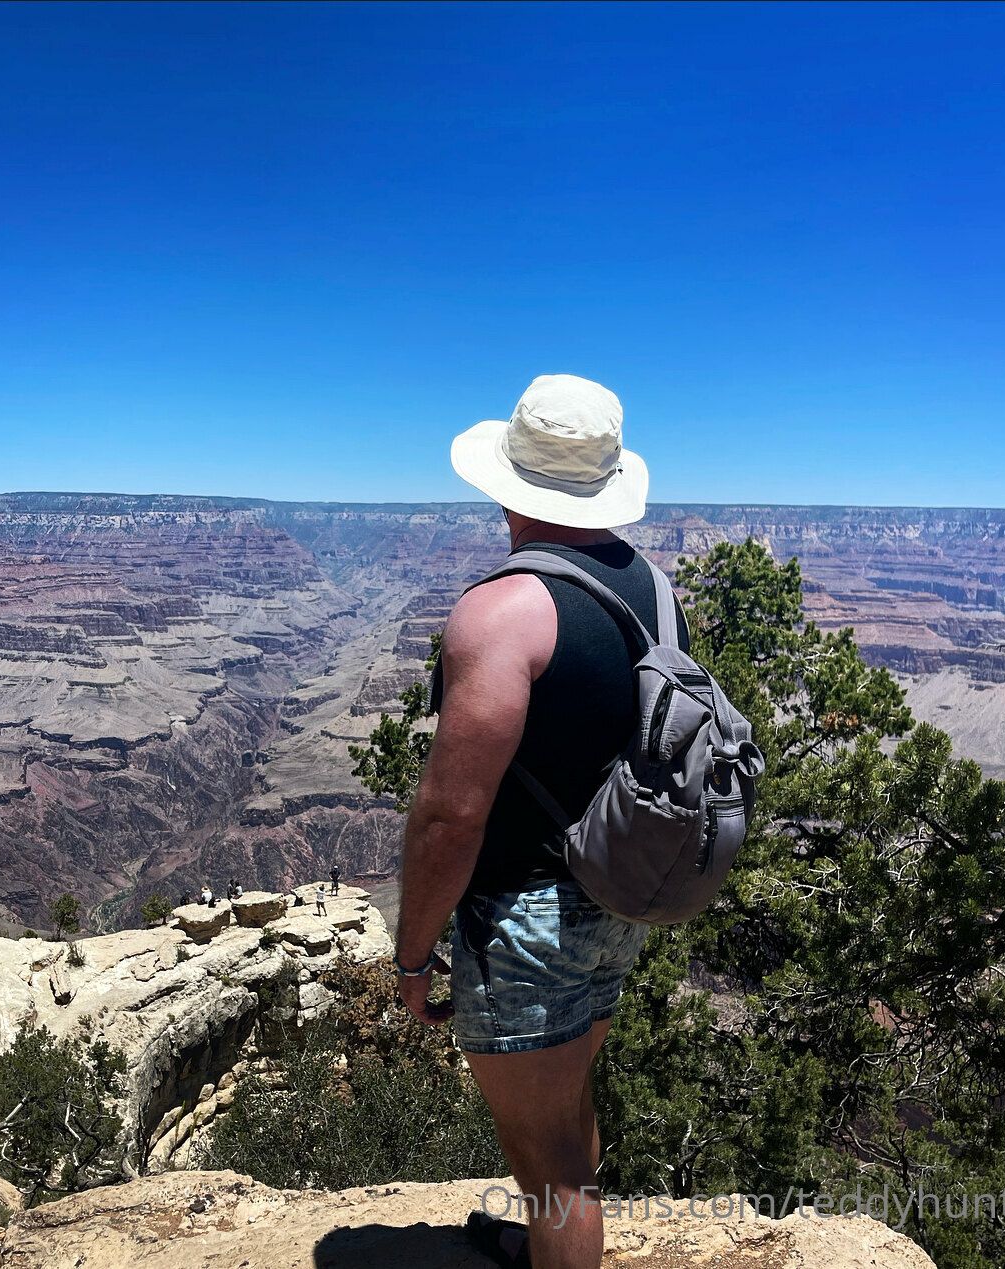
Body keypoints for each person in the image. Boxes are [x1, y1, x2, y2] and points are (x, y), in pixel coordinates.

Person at [395, 375, 690, 1269]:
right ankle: (549, 1250)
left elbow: (450, 815)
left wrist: (413, 954)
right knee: (569, 1114)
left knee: (548, 1160)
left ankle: (559, 1248)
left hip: (527, 921)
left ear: (510, 482)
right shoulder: (654, 590)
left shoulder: (502, 611)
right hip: (617, 897)